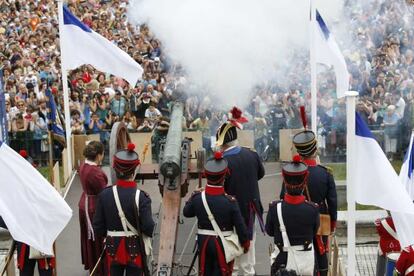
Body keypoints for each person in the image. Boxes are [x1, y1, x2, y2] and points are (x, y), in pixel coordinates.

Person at [280, 127, 337, 276]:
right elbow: (332, 202)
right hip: (321, 218)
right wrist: (332, 225)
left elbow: (282, 197)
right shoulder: (325, 173)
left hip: (295, 218)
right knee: (321, 252)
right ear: (315, 149)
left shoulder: (291, 172)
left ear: (299, 151)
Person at [215, 106, 265, 276]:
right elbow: (260, 174)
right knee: (248, 259)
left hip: (231, 213)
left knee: (233, 258)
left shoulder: (222, 162)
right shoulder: (252, 154)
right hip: (252, 209)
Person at [183, 151, 250, 276]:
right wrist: (245, 243)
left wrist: (193, 194)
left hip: (204, 243)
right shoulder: (230, 202)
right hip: (223, 244)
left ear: (206, 176)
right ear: (224, 177)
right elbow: (240, 227)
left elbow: (186, 212)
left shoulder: (198, 198)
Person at [93, 143, 155, 275]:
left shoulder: (105, 194)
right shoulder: (142, 197)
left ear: (115, 169)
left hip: (112, 247)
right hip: (135, 247)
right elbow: (149, 228)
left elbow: (98, 227)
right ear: (134, 170)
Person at [266, 156, 319, 275]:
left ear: (284, 181)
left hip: (282, 261)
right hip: (305, 262)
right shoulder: (313, 209)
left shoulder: (275, 208)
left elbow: (269, 231)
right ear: (305, 181)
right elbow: (314, 232)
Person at [78, 141, 107, 275]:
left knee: (89, 237)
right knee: (98, 238)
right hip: (94, 207)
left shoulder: (83, 166)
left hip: (84, 203)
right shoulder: (95, 172)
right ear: (99, 155)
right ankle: (99, 268)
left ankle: (92, 262)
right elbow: (103, 193)